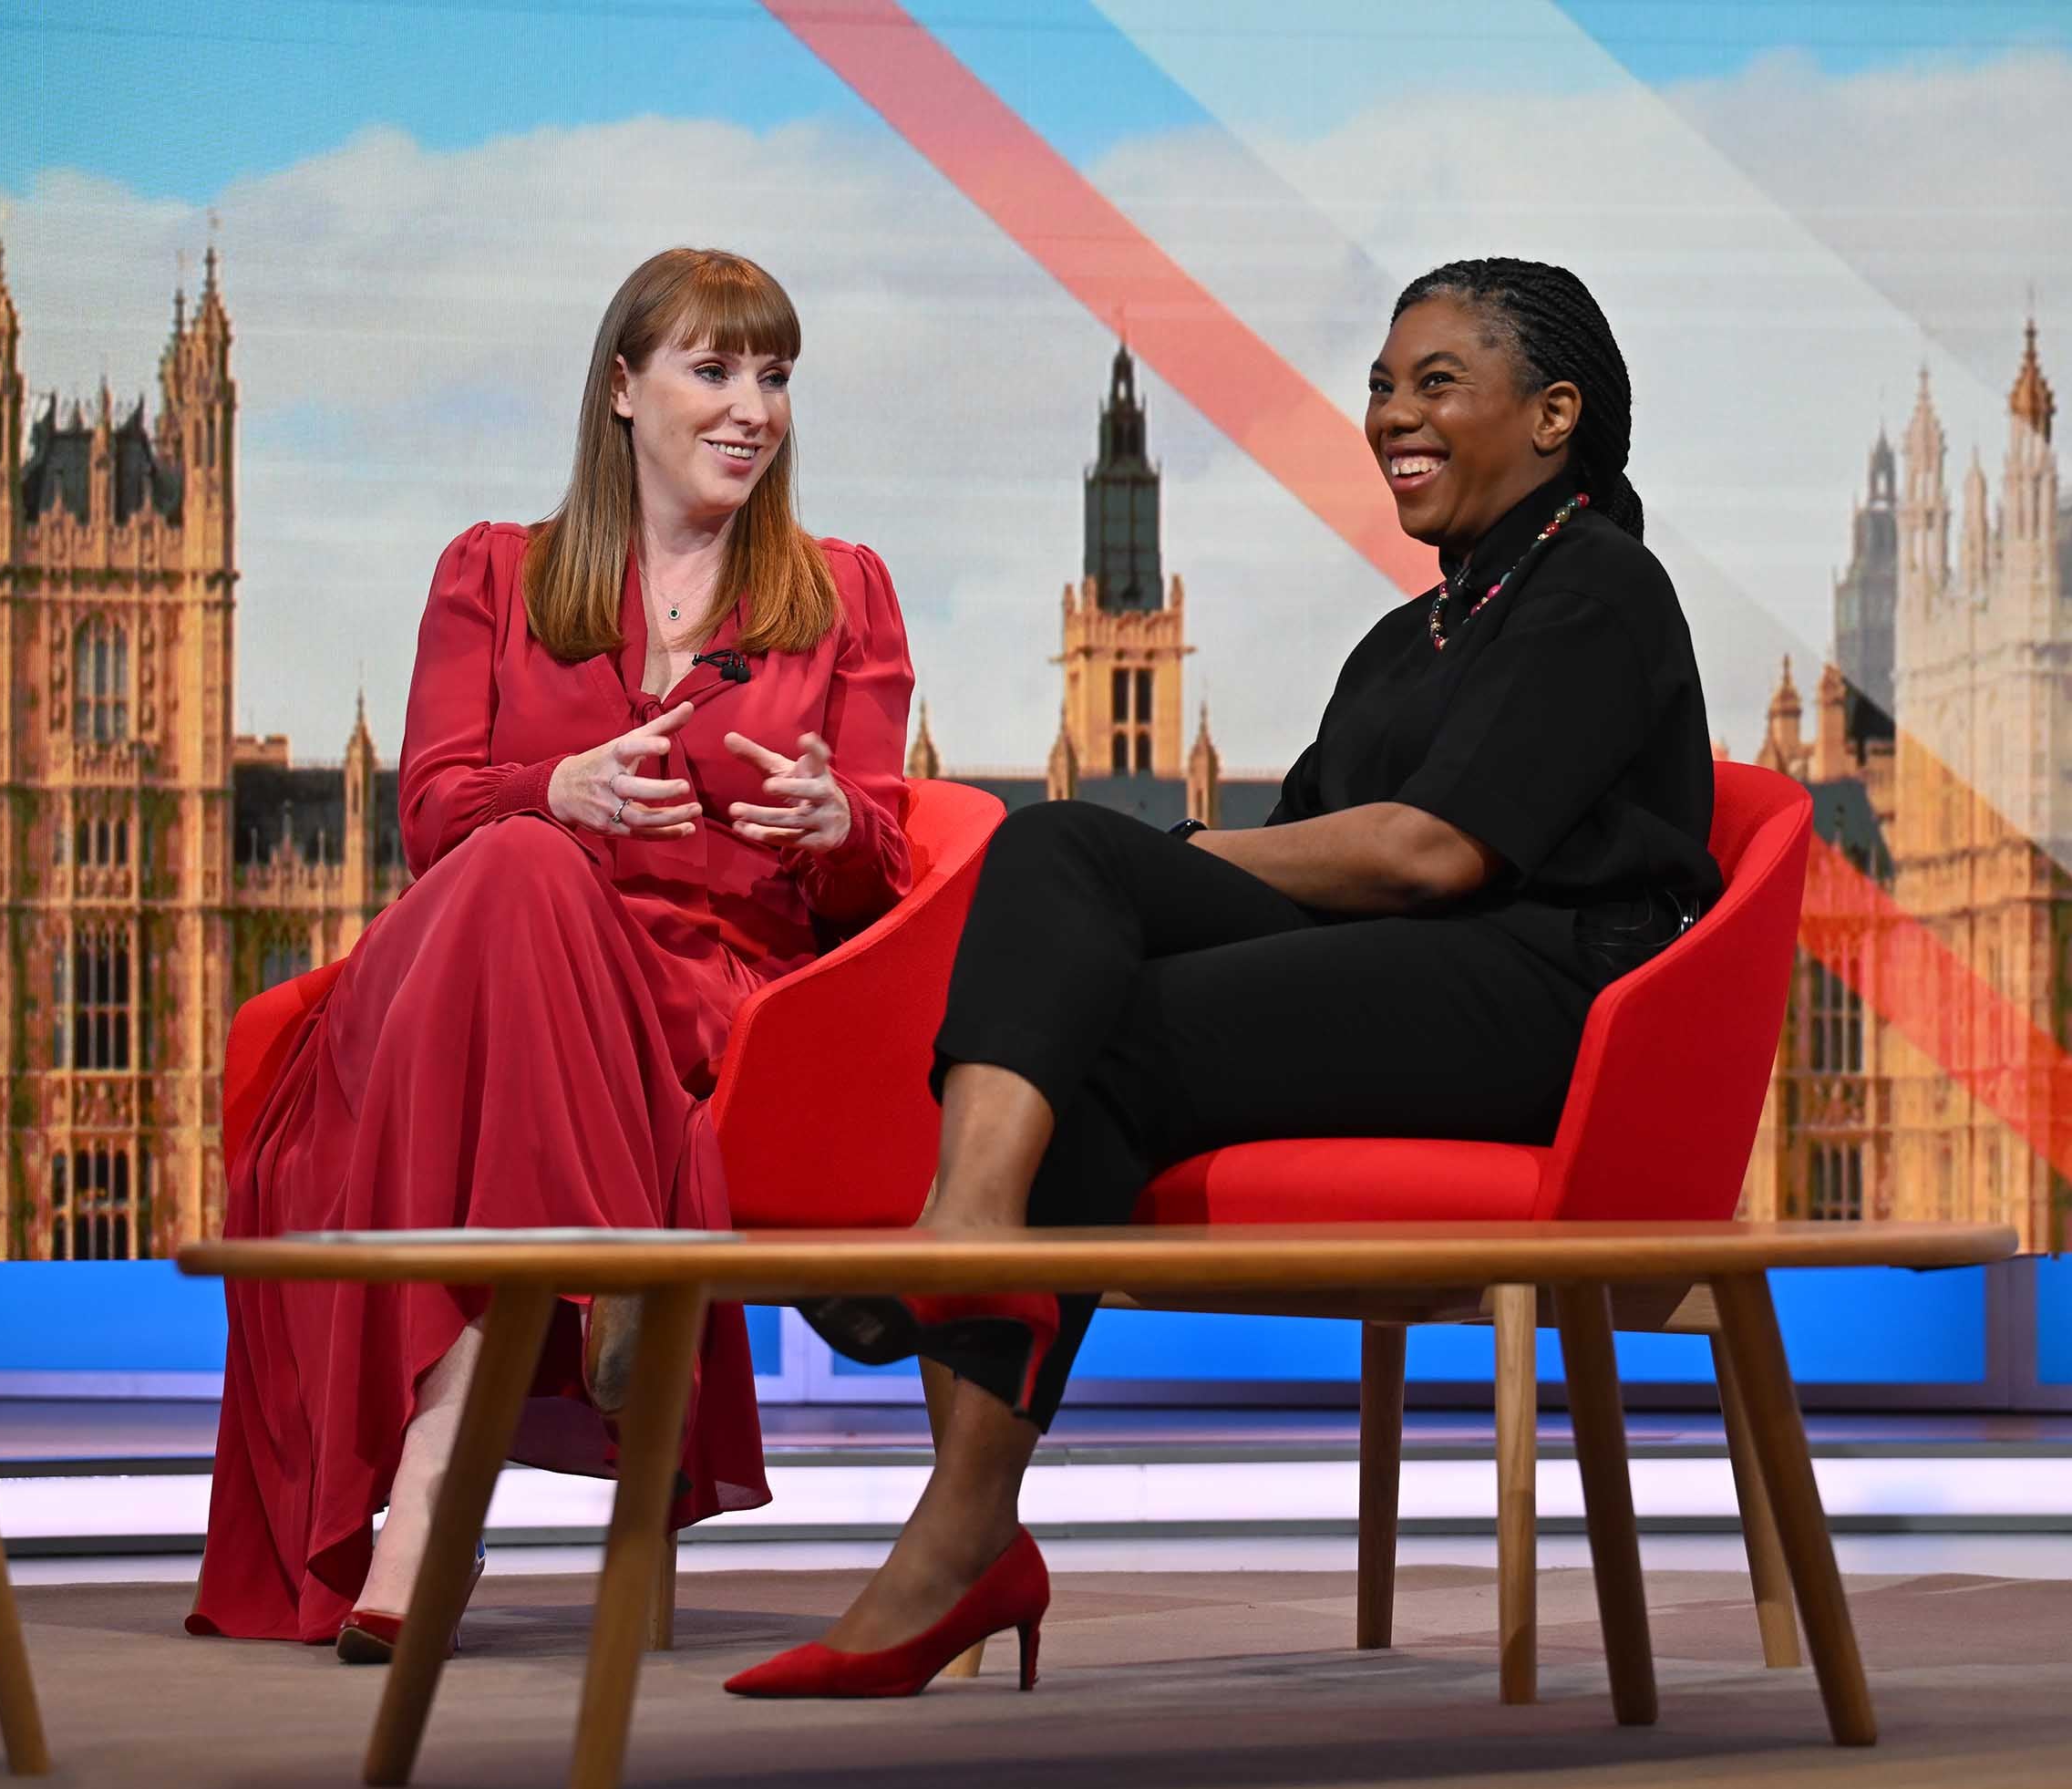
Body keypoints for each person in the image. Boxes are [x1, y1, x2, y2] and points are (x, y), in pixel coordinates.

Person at [730, 258, 1722, 1699]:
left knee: (1073, 864)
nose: (1392, 414)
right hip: (1390, 977)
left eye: (1435, 382)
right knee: (1079, 965)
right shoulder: (1411, 636)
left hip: (1539, 1010)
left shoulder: (1600, 589)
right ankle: (967, 1429)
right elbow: (1302, 866)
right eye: (1382, 384)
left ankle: (958, 1286)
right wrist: (1135, 896)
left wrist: (1161, 866)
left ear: (1556, 411)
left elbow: (1429, 854)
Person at [188, 248, 915, 1659]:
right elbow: (430, 819)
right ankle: (609, 1287)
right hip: (467, 989)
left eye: (774, 377)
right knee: (519, 866)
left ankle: (431, 1485)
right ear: (624, 387)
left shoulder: (842, 601)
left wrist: (832, 826)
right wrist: (555, 791)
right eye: (714, 371)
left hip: (693, 1022)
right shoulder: (495, 574)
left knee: (525, 906)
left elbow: (883, 871)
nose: (750, 408)